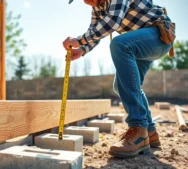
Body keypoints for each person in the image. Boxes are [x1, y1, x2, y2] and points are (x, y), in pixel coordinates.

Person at [63, 0, 175, 158]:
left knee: (119, 44)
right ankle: (150, 132)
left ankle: (138, 128)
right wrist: (82, 49)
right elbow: (95, 31)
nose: (85, 1)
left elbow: (112, 22)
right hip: (138, 45)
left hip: (159, 35)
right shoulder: (97, 8)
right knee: (120, 85)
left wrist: (80, 40)